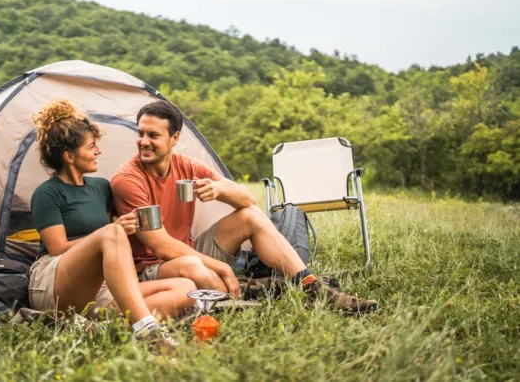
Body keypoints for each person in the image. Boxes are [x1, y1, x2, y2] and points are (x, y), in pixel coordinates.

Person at [110, 100, 378, 314]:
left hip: (190, 251)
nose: (143, 141)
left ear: (174, 138)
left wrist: (219, 189)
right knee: (193, 266)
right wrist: (222, 266)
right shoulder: (127, 180)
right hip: (152, 269)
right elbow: (161, 246)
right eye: (141, 133)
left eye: (153, 135)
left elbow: (248, 200)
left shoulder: (187, 167)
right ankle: (260, 290)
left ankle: (312, 287)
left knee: (249, 216)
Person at [28, 99, 197, 351]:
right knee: (110, 233)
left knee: (186, 288)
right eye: (92, 147)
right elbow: (57, 247)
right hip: (55, 282)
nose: (99, 152)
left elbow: (116, 237)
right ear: (69, 156)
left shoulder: (101, 188)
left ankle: (110, 327)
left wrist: (124, 227)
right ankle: (149, 332)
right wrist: (110, 233)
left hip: (101, 286)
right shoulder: (47, 193)